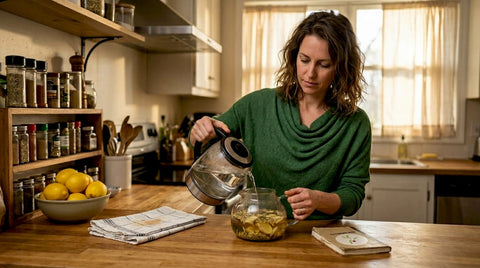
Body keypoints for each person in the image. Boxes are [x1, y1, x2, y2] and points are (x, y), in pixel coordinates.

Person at [189, 11, 371, 221]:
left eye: (323, 64)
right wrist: (200, 130)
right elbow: (200, 140)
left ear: (340, 68)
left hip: (323, 239)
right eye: (304, 60)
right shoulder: (257, 105)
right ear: (294, 58)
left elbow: (353, 195)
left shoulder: (355, 123)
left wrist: (319, 199)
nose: (310, 73)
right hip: (260, 230)